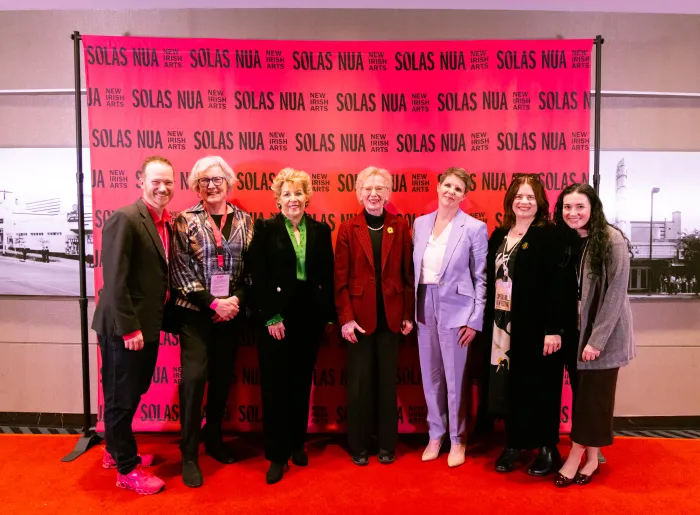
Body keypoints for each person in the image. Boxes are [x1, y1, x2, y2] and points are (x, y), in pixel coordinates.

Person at [91, 155, 175, 495]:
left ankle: (115, 449)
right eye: (156, 181)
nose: (162, 187)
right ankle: (126, 469)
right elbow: (115, 281)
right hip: (124, 329)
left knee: (133, 391)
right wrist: (129, 329)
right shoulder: (126, 219)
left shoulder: (165, 222)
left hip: (147, 326)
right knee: (120, 398)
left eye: (168, 181)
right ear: (141, 181)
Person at [247, 167, 335, 485]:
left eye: (298, 193)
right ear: (278, 199)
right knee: (275, 388)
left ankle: (297, 444)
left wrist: (327, 316)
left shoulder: (321, 230)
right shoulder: (266, 229)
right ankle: (276, 455)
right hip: (276, 320)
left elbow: (326, 275)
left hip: (308, 320)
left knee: (300, 384)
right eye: (287, 194)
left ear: (307, 197)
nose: (293, 199)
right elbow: (258, 276)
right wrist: (271, 316)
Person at [170, 156, 253, 488]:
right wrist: (212, 303)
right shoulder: (184, 220)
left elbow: (251, 271)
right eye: (205, 180)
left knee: (221, 379)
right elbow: (179, 270)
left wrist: (235, 303)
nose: (212, 185)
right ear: (195, 186)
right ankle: (189, 453)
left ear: (229, 182)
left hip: (231, 314)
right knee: (194, 380)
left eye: (218, 179)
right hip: (195, 314)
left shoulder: (247, 220)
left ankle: (214, 438)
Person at [553, 183, 635, 487]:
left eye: (580, 207)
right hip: (577, 332)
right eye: (567, 207)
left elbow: (615, 295)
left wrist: (596, 341)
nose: (573, 213)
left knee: (592, 400)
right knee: (588, 398)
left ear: (593, 208)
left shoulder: (612, 240)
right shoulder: (571, 240)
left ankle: (575, 457)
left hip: (603, 336)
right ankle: (591, 460)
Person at [483, 174, 566, 476]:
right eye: (519, 196)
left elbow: (560, 285)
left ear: (540, 201)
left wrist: (554, 329)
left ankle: (546, 447)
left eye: (530, 196)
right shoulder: (499, 235)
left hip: (537, 326)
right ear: (510, 201)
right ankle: (513, 444)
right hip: (501, 325)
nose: (524, 201)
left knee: (539, 385)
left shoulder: (551, 235)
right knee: (507, 384)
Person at [335, 166, 415, 466]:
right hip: (358, 320)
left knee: (386, 385)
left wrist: (408, 313)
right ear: (358, 193)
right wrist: (345, 318)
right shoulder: (347, 229)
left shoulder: (400, 226)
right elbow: (339, 280)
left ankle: (386, 445)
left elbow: (408, 274)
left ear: (388, 194)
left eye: (380, 188)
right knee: (358, 385)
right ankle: (357, 444)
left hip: (391, 319)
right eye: (368, 188)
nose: (373, 194)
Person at [412, 167, 488, 467]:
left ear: (464, 195)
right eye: (447, 185)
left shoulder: (474, 228)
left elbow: (481, 278)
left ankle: (458, 439)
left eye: (458, 188)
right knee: (431, 377)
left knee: (455, 379)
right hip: (423, 305)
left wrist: (475, 319)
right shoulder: (419, 224)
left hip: (458, 309)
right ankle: (436, 434)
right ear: (438, 187)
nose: (451, 192)